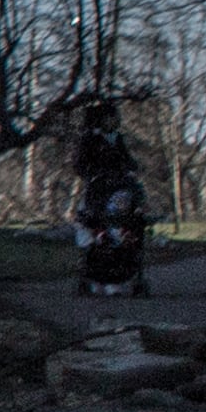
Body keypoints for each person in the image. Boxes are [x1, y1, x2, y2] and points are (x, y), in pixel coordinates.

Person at [73, 103, 151, 297]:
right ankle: (101, 277)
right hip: (99, 190)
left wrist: (131, 168)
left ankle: (120, 274)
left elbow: (127, 161)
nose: (117, 120)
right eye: (113, 117)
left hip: (118, 189)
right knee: (97, 224)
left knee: (123, 221)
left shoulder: (118, 139)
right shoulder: (90, 140)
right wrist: (95, 173)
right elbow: (80, 165)